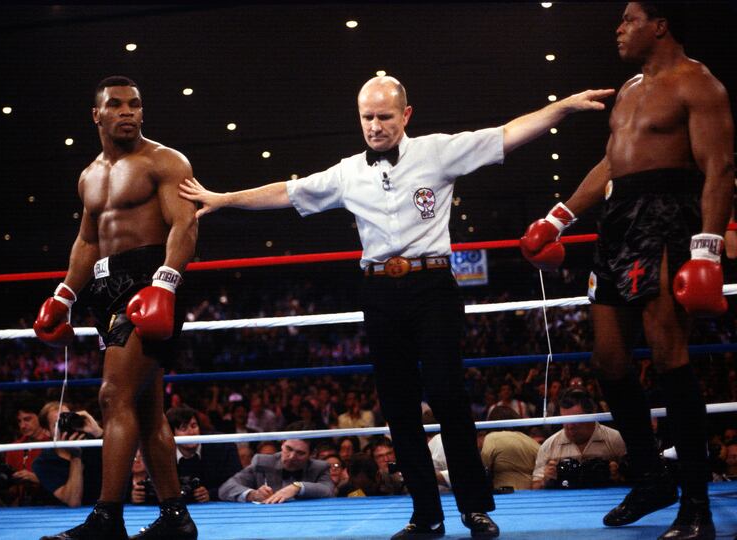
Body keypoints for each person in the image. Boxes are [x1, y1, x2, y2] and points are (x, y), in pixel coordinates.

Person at [180, 74, 613, 538]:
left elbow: (507, 134)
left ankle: (473, 508)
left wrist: (564, 107)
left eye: (384, 116)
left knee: (448, 395)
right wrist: (225, 198)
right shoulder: (347, 172)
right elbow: (287, 192)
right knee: (399, 407)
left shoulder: (437, 152)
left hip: (433, 286)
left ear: (405, 115)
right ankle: (426, 514)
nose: (375, 125)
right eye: (367, 117)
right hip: (380, 291)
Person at [520, 3, 734, 538]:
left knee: (668, 355)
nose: (619, 28)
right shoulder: (631, 89)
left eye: (629, 19)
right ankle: (652, 477)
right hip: (618, 221)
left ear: (660, 25)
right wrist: (559, 218)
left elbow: (720, 167)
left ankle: (697, 505)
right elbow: (613, 162)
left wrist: (706, 251)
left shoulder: (698, 84)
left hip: (668, 218)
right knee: (608, 360)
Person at [32, 75, 198, 540]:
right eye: (117, 104)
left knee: (112, 395)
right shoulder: (89, 175)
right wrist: (64, 295)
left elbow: (185, 224)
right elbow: (88, 241)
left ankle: (107, 518)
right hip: (105, 288)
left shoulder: (165, 161)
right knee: (146, 410)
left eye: (135, 104)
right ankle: (176, 518)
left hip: (149, 279)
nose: (127, 111)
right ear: (97, 115)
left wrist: (166, 282)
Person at [531, 389, 626, 490]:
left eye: (576, 420)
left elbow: (635, 480)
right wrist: (545, 480)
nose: (570, 426)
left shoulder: (616, 439)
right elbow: (535, 487)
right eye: (564, 420)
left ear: (592, 415)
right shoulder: (549, 446)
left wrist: (619, 476)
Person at [217, 426, 333, 503]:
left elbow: (328, 490)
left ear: (312, 454)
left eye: (300, 453)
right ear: (282, 444)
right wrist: (252, 494)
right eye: (288, 449)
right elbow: (226, 488)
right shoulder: (262, 462)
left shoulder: (320, 467)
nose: (291, 457)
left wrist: (297, 487)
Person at [32, 402, 104, 508]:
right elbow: (73, 501)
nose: (65, 426)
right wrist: (76, 456)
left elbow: (126, 463)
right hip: (66, 516)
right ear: (47, 432)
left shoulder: (93, 445)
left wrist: (98, 432)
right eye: (58, 423)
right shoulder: (43, 463)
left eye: (68, 420)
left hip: (102, 510)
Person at [165, 406, 242, 503]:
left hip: (218, 506)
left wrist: (211, 494)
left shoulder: (223, 447)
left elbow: (237, 481)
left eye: (194, 426)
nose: (191, 432)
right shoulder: (162, 453)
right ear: (172, 433)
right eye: (183, 428)